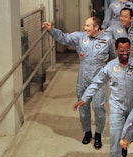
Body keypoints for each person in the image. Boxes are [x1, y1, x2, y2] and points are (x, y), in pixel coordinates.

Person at [73, 37, 133, 157]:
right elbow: (97, 83)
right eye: (122, 51)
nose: (125, 53)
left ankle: (126, 143)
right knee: (114, 141)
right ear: (116, 50)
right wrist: (85, 97)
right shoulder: (110, 67)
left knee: (131, 135)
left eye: (127, 50)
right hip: (116, 108)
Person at [42, 17, 116, 149]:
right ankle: (87, 132)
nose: (85, 28)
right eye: (85, 25)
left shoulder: (107, 40)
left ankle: (98, 134)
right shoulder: (80, 37)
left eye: (88, 26)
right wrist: (51, 30)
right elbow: (64, 38)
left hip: (99, 79)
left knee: (98, 107)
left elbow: (115, 58)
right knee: (83, 107)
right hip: (83, 77)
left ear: (96, 27)